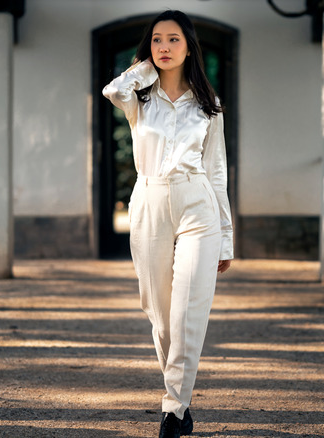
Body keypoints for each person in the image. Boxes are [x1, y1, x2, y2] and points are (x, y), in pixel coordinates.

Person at [102, 10, 233, 438]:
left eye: (174, 40)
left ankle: (174, 410)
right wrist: (144, 68)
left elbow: (216, 174)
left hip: (198, 203)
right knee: (160, 316)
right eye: (157, 40)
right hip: (150, 199)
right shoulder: (137, 98)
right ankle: (181, 395)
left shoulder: (209, 108)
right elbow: (112, 89)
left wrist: (226, 237)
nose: (164, 47)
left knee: (188, 314)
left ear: (190, 47)